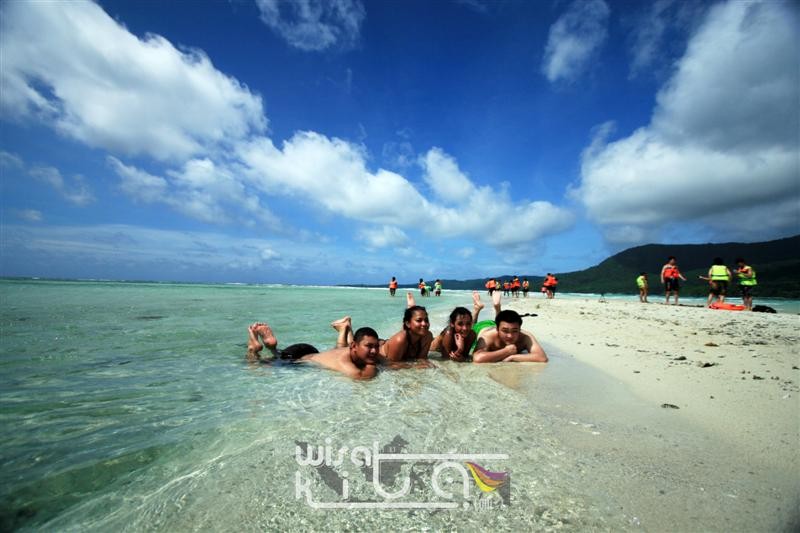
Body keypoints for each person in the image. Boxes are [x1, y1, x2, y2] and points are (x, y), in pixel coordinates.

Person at [246, 321, 379, 380]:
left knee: (277, 355)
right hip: (293, 359)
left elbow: (343, 346)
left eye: (376, 346)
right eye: (369, 346)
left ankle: (273, 348)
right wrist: (372, 364)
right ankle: (253, 348)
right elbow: (360, 376)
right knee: (256, 364)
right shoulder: (346, 364)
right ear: (354, 346)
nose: (374, 351)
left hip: (310, 350)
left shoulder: (350, 349)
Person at [473, 309, 548, 364]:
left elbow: (542, 357)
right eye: (505, 331)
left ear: (520, 329)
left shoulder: (525, 337)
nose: (510, 336)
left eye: (515, 331)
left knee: (502, 324)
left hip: (497, 324)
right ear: (497, 329)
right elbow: (477, 358)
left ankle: (497, 310)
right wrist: (506, 351)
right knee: (471, 328)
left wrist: (513, 357)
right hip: (482, 327)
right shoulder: (487, 336)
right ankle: (476, 310)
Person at [430, 291, 485, 362]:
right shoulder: (448, 333)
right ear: (452, 323)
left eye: (468, 324)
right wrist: (460, 349)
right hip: (433, 350)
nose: (465, 328)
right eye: (460, 324)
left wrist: (461, 355)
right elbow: (446, 359)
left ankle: (476, 310)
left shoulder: (472, 335)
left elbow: (464, 356)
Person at [380, 297, 434, 363]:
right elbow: (391, 365)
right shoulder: (399, 340)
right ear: (408, 323)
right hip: (381, 355)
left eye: (426, 320)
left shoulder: (428, 336)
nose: (424, 324)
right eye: (419, 320)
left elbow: (422, 358)